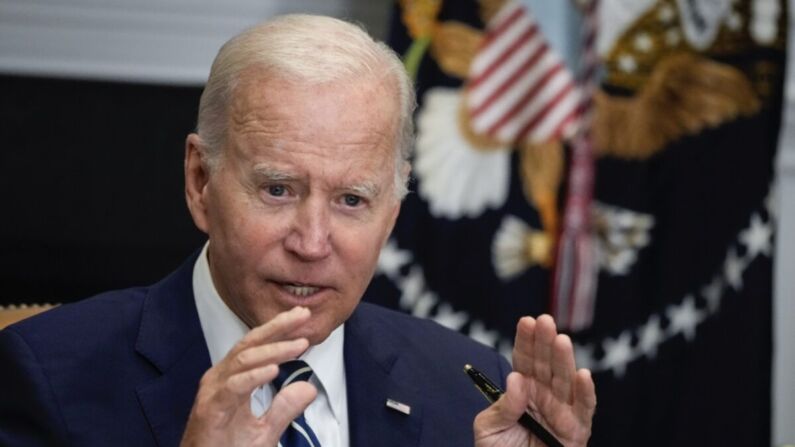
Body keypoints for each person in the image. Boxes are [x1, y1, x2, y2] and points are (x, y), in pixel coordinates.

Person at [0, 14, 595, 447]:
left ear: (393, 209)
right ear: (200, 180)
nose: (311, 243)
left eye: (352, 199)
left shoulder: (471, 388)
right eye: (278, 189)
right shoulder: (44, 375)